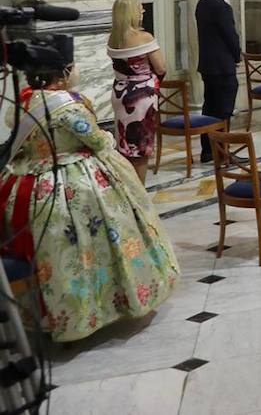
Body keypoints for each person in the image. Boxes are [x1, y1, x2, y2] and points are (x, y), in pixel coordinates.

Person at [0, 62, 179, 342]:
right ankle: (93, 309)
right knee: (90, 246)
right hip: (71, 185)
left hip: (30, 183)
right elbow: (95, 140)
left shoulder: (24, 102)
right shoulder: (69, 105)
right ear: (62, 73)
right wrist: (107, 142)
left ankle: (47, 314)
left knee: (53, 254)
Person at [107, 0, 166, 183]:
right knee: (141, 148)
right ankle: (139, 193)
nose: (143, 10)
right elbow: (161, 67)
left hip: (120, 93)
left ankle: (128, 190)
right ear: (132, 13)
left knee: (125, 145)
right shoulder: (144, 37)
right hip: (141, 98)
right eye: (140, 7)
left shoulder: (112, 39)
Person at [195, 0, 241, 162]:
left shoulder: (202, 4)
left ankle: (207, 150)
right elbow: (230, 35)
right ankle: (222, 150)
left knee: (209, 108)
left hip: (207, 65)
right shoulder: (222, 7)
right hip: (223, 66)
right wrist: (237, 55)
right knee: (223, 111)